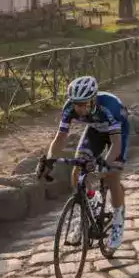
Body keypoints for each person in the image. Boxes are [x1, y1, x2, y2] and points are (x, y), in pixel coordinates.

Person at [37, 75, 129, 250]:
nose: (79, 109)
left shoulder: (110, 107)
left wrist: (103, 166)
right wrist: (49, 160)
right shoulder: (70, 107)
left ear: (93, 99)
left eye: (84, 104)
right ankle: (89, 204)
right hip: (94, 131)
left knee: (112, 175)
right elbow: (61, 137)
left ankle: (118, 221)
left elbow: (116, 144)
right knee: (78, 171)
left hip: (117, 134)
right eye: (76, 104)